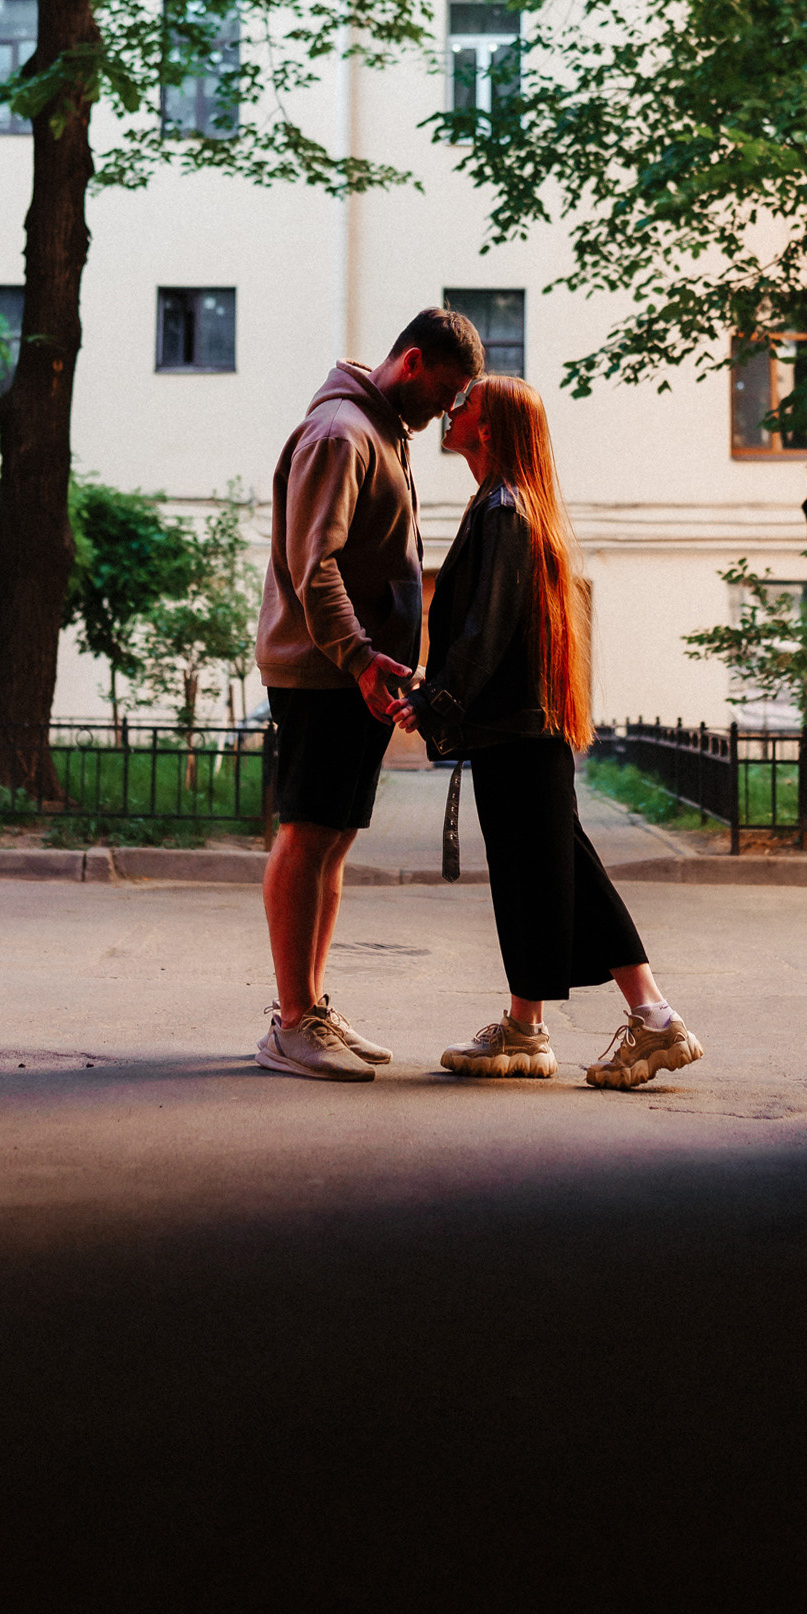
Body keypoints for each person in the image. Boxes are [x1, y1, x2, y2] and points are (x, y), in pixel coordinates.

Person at [420, 373, 704, 1089]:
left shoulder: (505, 510)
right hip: (515, 726)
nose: (448, 411)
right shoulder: (507, 505)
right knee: (536, 874)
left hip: (514, 728)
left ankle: (655, 1020)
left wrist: (435, 701)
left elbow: (484, 632)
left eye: (463, 403)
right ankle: (526, 1026)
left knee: (562, 870)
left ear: (486, 427)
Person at [252, 306, 486, 1080]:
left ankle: (310, 1005)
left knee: (337, 836)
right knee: (308, 830)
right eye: (447, 391)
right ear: (411, 362)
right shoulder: (342, 434)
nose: (449, 411)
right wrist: (356, 657)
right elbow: (311, 563)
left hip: (357, 671)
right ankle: (290, 1021)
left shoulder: (383, 431)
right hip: (323, 669)